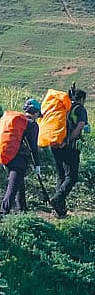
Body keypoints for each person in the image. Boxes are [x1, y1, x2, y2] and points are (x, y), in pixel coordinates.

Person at [0, 100, 42, 220]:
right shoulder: (32, 125)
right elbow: (33, 146)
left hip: (8, 157)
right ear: (36, 113)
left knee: (19, 185)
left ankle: (23, 211)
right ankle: (2, 214)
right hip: (20, 160)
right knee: (12, 188)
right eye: (38, 114)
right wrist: (37, 164)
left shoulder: (17, 122)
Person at [50, 86, 87, 218]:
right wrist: (70, 139)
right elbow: (81, 125)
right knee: (71, 177)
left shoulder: (62, 107)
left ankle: (59, 210)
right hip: (69, 146)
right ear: (81, 99)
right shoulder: (79, 108)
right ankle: (57, 199)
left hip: (54, 144)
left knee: (61, 176)